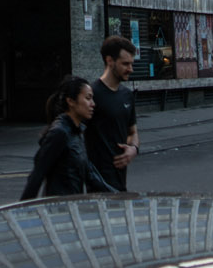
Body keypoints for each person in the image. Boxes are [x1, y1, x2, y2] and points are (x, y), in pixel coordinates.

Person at [21, 77, 116, 200]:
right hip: (58, 210)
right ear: (71, 101)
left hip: (73, 208)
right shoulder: (59, 133)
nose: (93, 104)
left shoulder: (78, 132)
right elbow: (37, 175)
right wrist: (23, 209)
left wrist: (120, 196)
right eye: (88, 98)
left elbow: (91, 175)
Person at [84, 35, 139, 191]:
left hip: (121, 182)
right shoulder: (92, 95)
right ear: (110, 61)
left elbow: (133, 131)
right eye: (125, 64)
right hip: (97, 183)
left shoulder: (127, 95)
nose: (131, 69)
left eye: (131, 64)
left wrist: (133, 149)